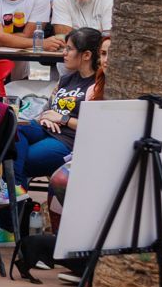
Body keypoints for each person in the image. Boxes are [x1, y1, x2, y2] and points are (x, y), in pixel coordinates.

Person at [12, 26, 102, 194]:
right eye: (64, 48)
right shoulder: (66, 79)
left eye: (69, 49)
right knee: (14, 129)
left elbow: (94, 127)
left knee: (22, 160)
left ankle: (13, 199)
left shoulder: (97, 86)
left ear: (87, 55)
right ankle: (15, 190)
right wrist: (45, 117)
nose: (64, 53)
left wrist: (62, 118)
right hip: (46, 128)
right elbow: (49, 109)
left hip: (68, 139)